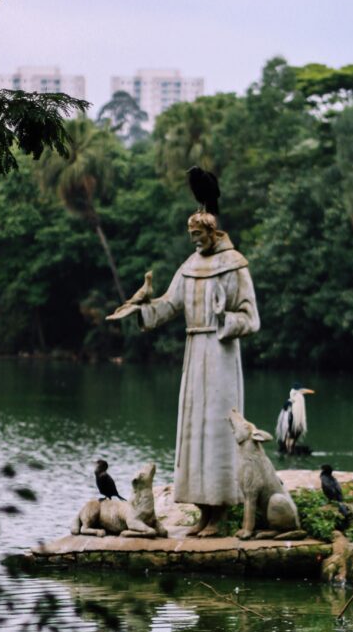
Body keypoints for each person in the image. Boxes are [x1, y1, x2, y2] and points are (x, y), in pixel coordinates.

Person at [107, 209, 259, 536]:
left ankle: (220, 515)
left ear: (212, 232)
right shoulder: (189, 266)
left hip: (220, 353)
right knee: (194, 432)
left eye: (198, 234)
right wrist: (141, 310)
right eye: (190, 236)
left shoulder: (235, 265)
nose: (194, 240)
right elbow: (170, 305)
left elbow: (251, 318)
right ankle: (203, 512)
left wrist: (224, 320)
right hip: (194, 354)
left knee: (219, 431)